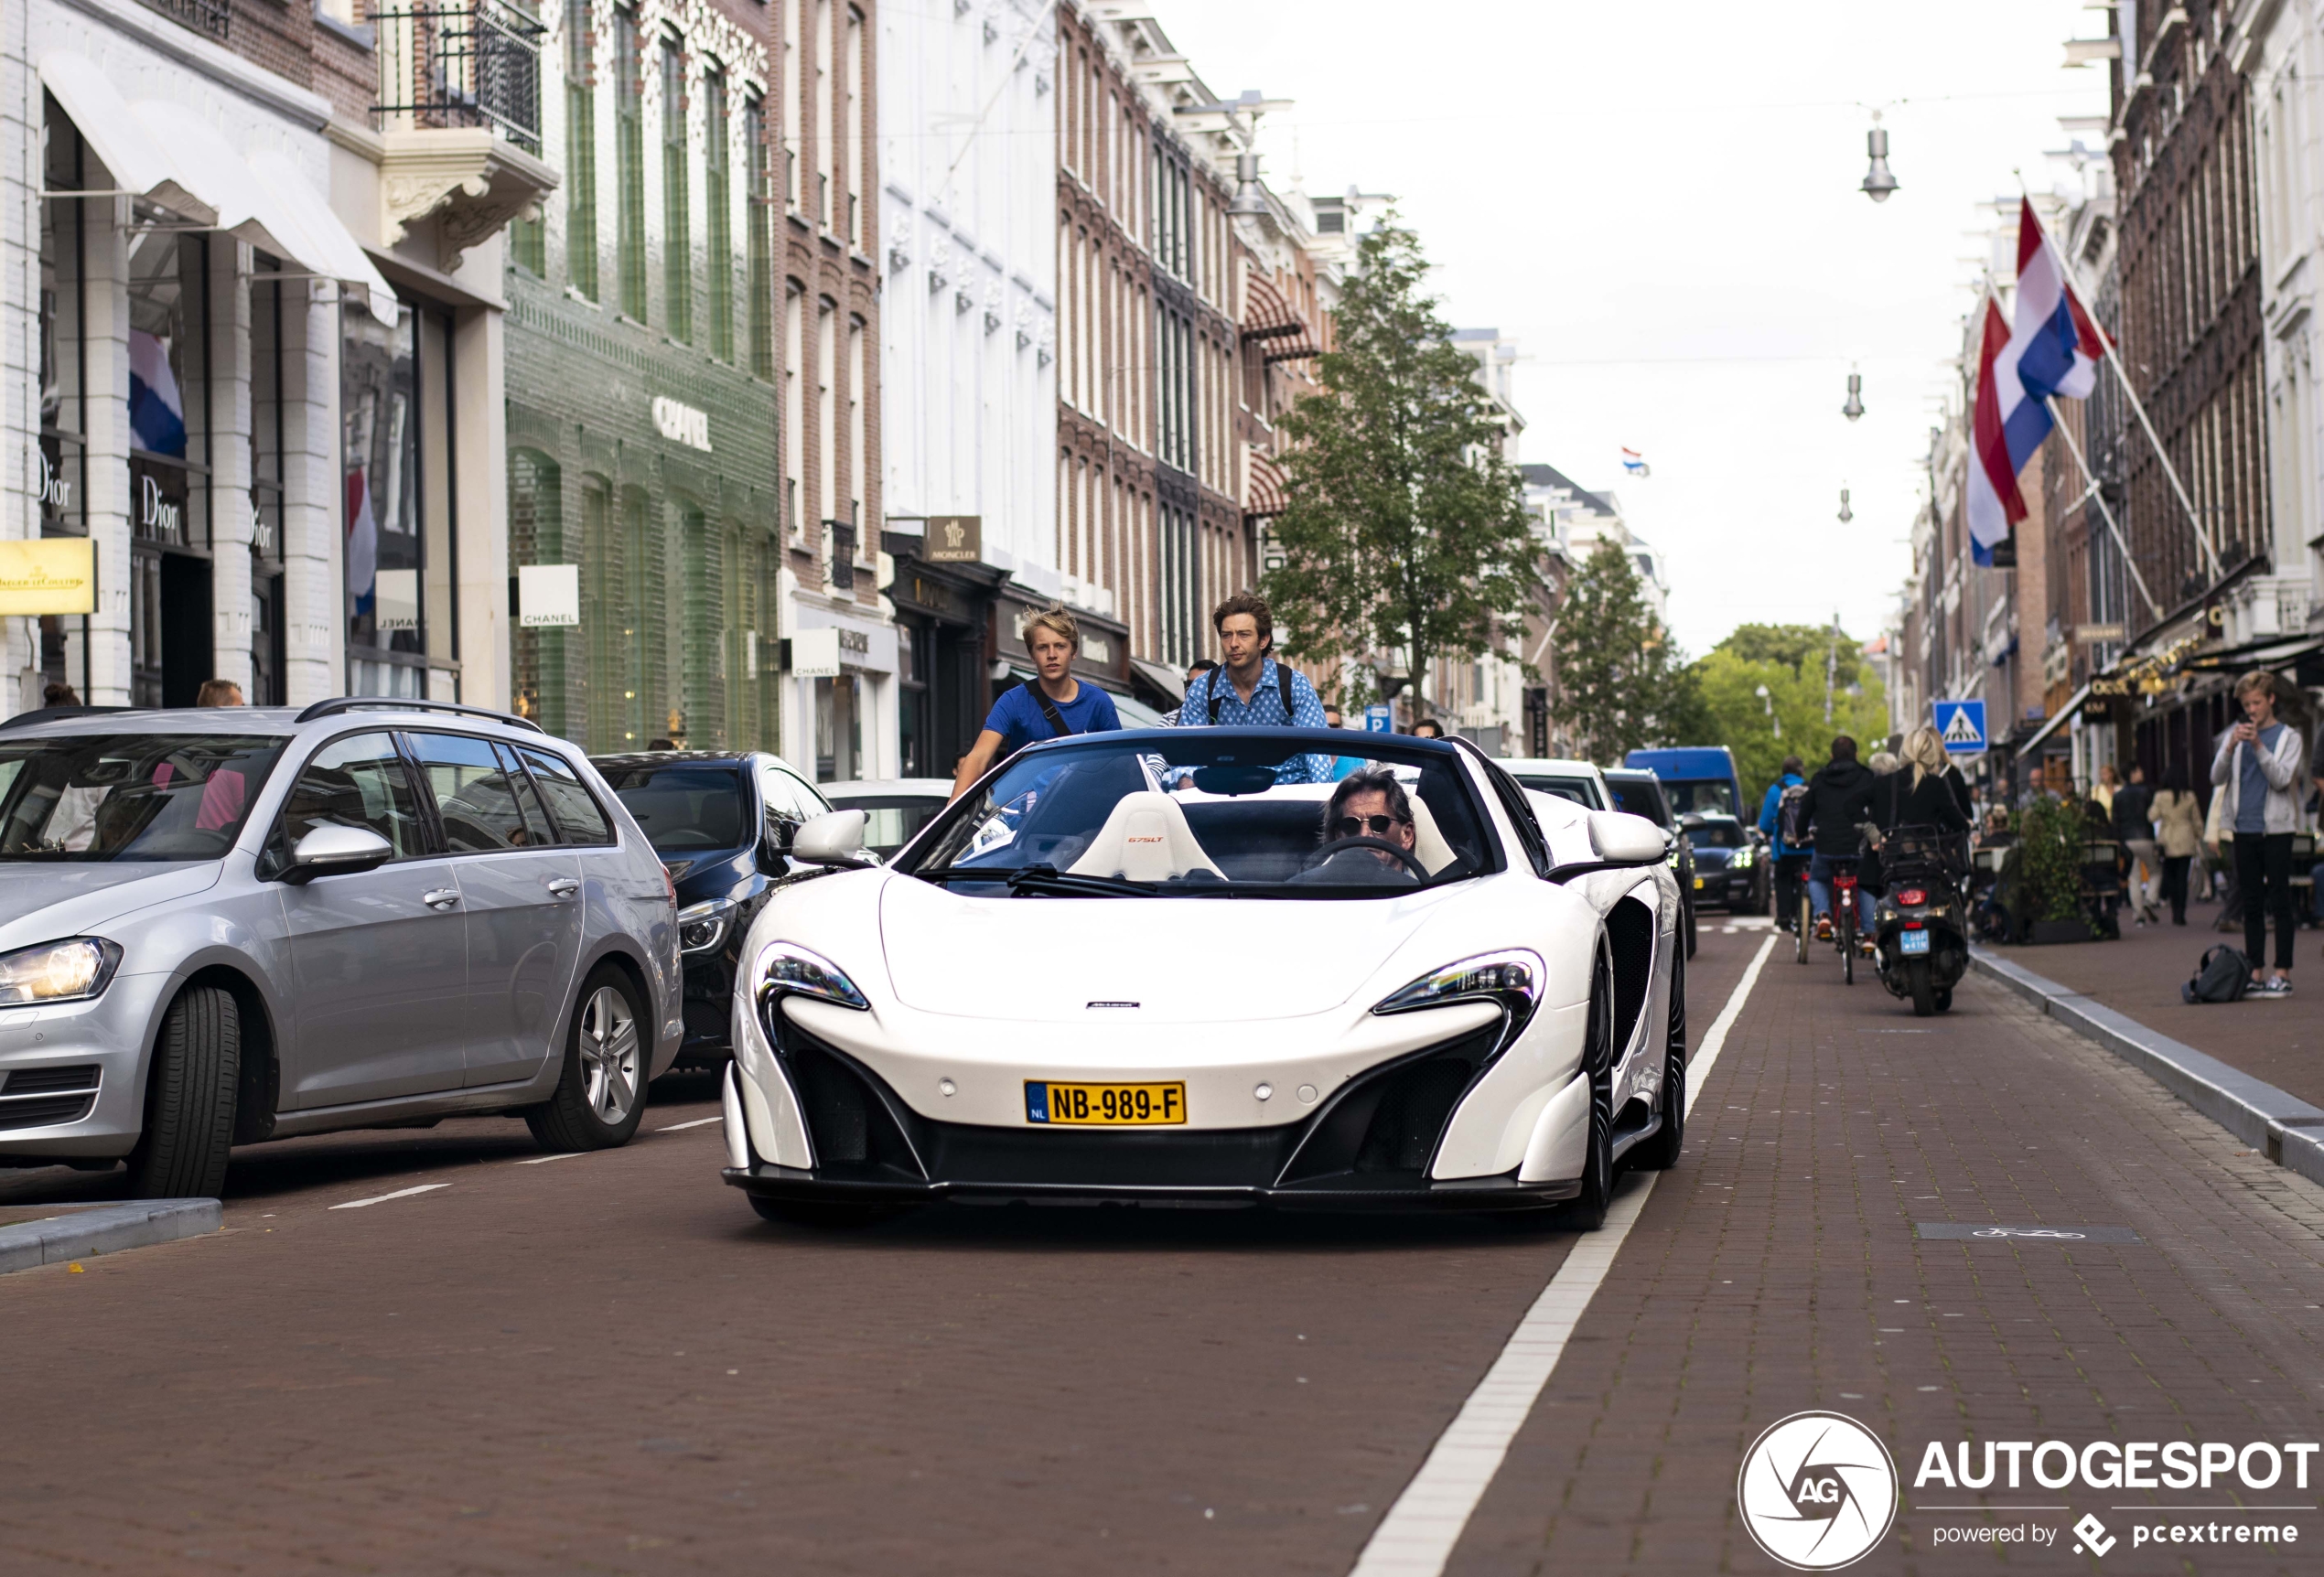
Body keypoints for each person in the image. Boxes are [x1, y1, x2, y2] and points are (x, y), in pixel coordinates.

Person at [952, 605, 1122, 799]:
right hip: (1023, 817)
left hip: (1083, 814)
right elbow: (978, 757)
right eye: (1042, 647)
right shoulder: (1013, 701)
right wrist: (949, 812)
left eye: (1060, 646)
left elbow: (1117, 763)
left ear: (1073, 652)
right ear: (1032, 655)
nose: (1052, 654)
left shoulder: (1098, 702)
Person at [2211, 669, 2306, 995]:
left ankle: (2283, 972)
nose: (2251, 709)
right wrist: (2229, 748)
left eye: (2256, 703)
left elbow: (2281, 778)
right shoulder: (2235, 737)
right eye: (2246, 704)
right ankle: (2255, 972)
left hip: (2277, 829)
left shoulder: (2289, 738)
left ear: (2271, 700)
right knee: (2251, 904)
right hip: (2243, 828)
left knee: (2279, 900)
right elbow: (2215, 778)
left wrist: (2258, 746)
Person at [1173, 593, 1331, 783]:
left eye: (1243, 635)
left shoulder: (1294, 685)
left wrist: (1319, 806)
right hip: (1226, 796)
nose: (1233, 644)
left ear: (1263, 640)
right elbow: (1187, 755)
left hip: (1288, 796)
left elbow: (1318, 756)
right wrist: (1188, 788)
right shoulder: (1203, 689)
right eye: (1226, 635)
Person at [1804, 735, 1877, 945]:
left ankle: (1823, 915)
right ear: (1856, 755)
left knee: (1816, 878)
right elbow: (1876, 810)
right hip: (1858, 845)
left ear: (1831, 755)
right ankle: (1869, 933)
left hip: (1827, 846)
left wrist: (1800, 832)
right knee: (1866, 880)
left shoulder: (1819, 779)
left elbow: (1805, 811)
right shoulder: (1867, 777)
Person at [1307, 766, 1420, 882]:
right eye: (1351, 825)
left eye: (1379, 823)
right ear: (1338, 837)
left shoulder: (1429, 896)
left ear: (1407, 835)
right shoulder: (1314, 891)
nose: (1364, 834)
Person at [1759, 755, 1812, 931]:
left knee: (1782, 878)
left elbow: (1765, 825)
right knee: (1812, 878)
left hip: (1784, 850)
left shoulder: (1775, 790)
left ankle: (1783, 916)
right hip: (1809, 849)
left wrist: (1768, 833)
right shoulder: (1810, 788)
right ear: (1801, 771)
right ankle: (1809, 915)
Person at [2151, 763, 2203, 927]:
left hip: (2167, 838)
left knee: (2170, 876)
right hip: (2185, 836)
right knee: (2182, 877)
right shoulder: (2189, 796)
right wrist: (2200, 836)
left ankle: (2173, 908)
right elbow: (2196, 820)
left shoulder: (2160, 797)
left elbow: (2152, 816)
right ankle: (2180, 913)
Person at [2113, 763, 2160, 926]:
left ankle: (2138, 914)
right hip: (2145, 836)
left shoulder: (2118, 796)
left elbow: (2115, 821)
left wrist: (2118, 841)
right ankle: (2151, 899)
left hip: (2127, 839)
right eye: (2139, 770)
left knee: (2134, 878)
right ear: (2133, 773)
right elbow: (2153, 814)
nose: (2142, 773)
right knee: (2155, 871)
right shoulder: (2147, 792)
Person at [1159, 659, 1218, 726]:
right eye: (1189, 684)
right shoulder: (1171, 720)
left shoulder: (1227, 717)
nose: (1193, 689)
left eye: (1201, 684)